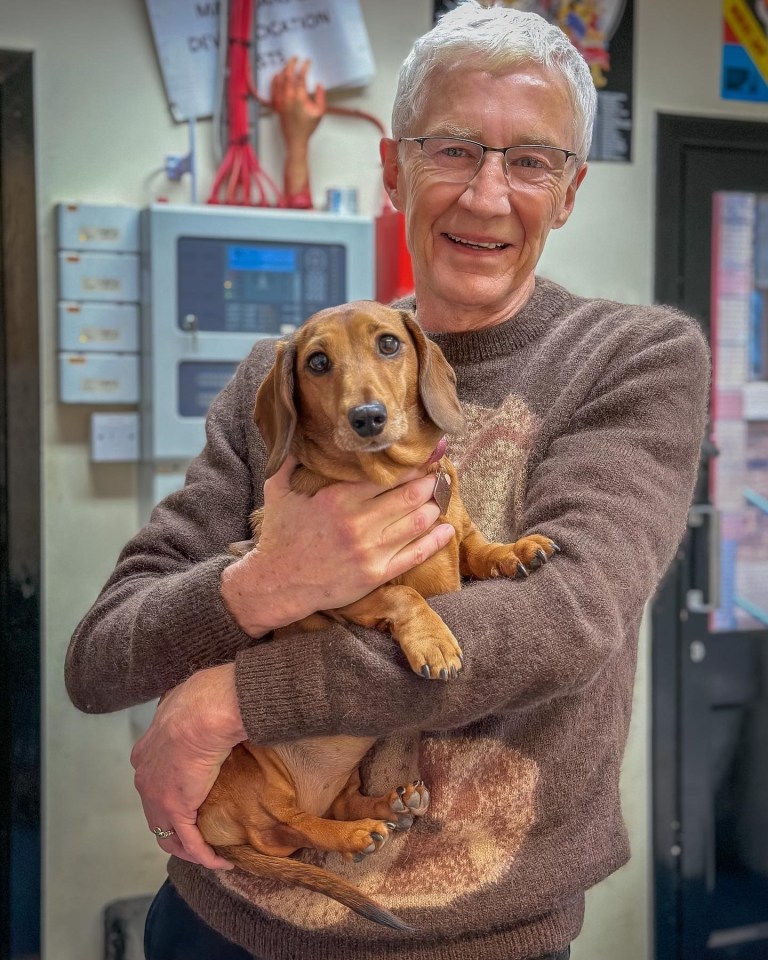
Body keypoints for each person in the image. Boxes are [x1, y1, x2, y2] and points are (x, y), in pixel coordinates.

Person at [65, 3, 710, 959]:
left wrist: (234, 701)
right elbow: (102, 657)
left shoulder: (633, 357)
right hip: (219, 923)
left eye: (530, 161)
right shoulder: (278, 379)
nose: (488, 196)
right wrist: (261, 586)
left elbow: (563, 621)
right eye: (453, 149)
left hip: (475, 940)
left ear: (567, 191)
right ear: (392, 169)